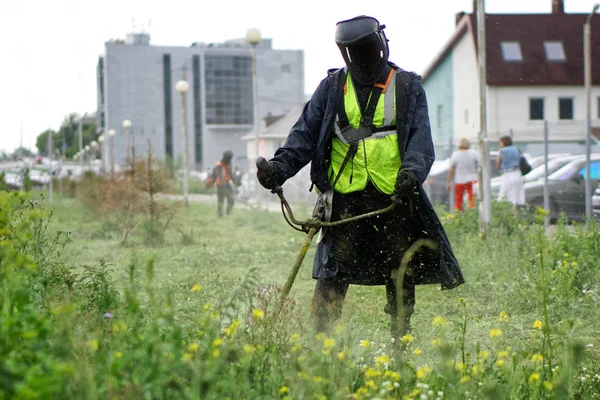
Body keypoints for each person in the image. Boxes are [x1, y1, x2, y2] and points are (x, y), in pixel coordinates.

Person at [256, 15, 463, 339]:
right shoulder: (332, 88)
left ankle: (400, 339)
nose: (363, 56)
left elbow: (420, 142)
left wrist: (411, 173)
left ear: (379, 45)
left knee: (401, 269)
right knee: (332, 274)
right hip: (345, 200)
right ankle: (321, 344)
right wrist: (279, 168)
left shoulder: (407, 86)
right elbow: (304, 136)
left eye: (366, 48)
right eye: (357, 50)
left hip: (393, 197)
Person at [446, 137, 478, 211]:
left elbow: (451, 170)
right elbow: (480, 164)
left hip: (459, 180)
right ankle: (472, 214)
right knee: (472, 200)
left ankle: (458, 216)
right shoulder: (474, 153)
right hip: (472, 179)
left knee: (458, 200)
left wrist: (448, 182)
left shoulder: (455, 154)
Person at [496, 136, 525, 209]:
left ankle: (510, 214)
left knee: (504, 195)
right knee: (516, 196)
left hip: (508, 174)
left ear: (504, 142)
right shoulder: (517, 149)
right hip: (518, 174)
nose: (500, 144)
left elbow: (498, 164)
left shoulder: (502, 151)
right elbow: (521, 159)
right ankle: (516, 215)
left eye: (501, 142)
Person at [213, 150, 235, 217]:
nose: (230, 160)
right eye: (229, 158)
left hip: (227, 184)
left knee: (231, 199)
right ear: (225, 157)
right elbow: (219, 177)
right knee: (220, 201)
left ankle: (228, 213)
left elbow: (230, 175)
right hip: (220, 185)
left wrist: (235, 182)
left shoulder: (229, 164)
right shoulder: (219, 165)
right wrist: (224, 185)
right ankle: (220, 215)